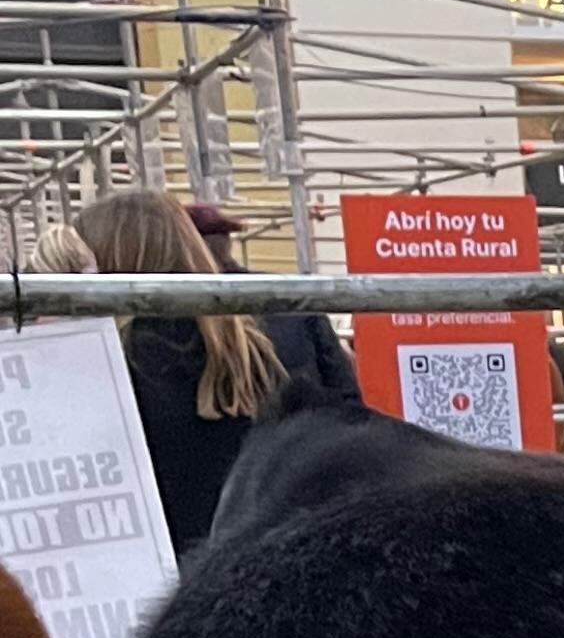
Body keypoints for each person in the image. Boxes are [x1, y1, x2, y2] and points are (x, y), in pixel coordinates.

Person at [78, 186, 360, 555]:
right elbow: (351, 423)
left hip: (174, 574)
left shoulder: (109, 352)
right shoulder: (289, 314)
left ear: (104, 259)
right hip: (297, 554)